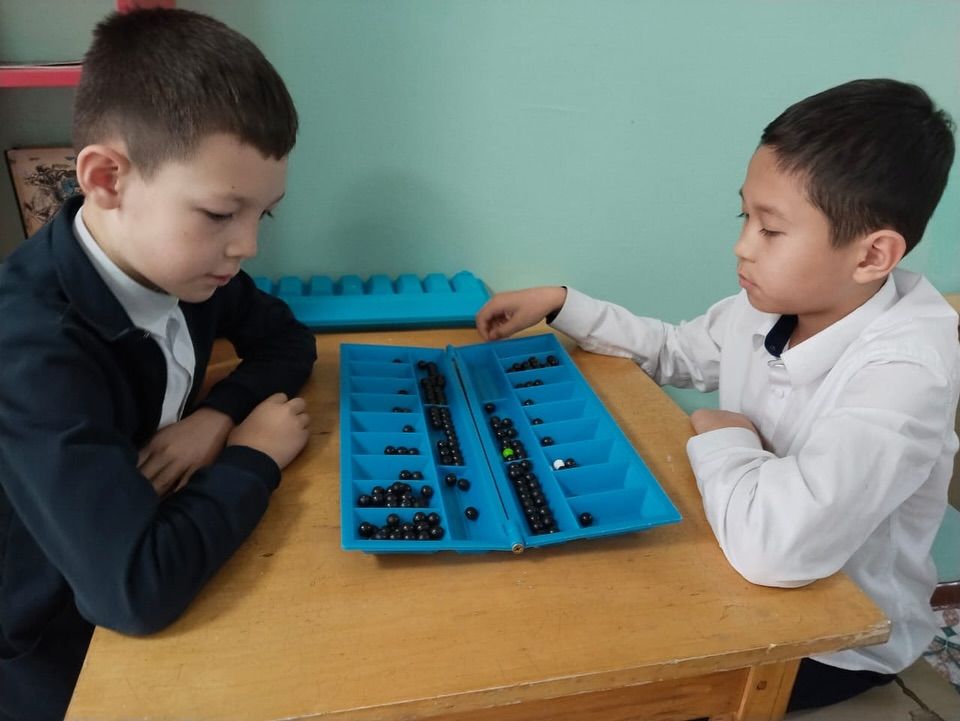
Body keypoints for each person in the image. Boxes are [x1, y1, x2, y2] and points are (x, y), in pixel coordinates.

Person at [476, 78, 958, 711]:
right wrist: (564, 305)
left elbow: (778, 549)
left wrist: (727, 437)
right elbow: (675, 350)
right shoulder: (775, 303)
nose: (742, 246)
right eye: (744, 217)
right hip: (737, 564)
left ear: (872, 256)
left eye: (771, 230)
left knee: (587, 681)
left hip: (830, 643)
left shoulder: (907, 372)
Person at [0, 8, 316, 721]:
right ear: (107, 178)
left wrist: (216, 416)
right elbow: (132, 593)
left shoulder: (184, 269)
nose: (246, 246)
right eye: (220, 213)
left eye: (261, 215)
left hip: (138, 538)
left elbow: (287, 341)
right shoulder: (31, 349)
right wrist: (254, 456)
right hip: (50, 643)